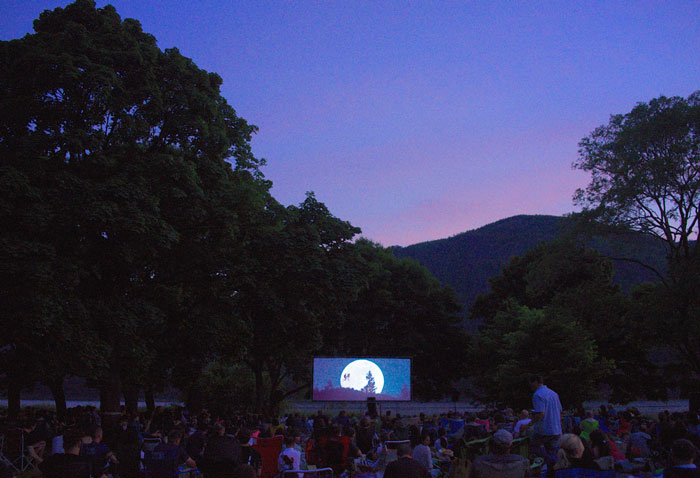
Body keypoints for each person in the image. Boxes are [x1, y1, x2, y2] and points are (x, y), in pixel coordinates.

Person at [529, 375, 562, 468]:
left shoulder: (537, 395)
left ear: (535, 382)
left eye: (531, 383)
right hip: (556, 429)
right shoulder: (554, 394)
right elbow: (560, 411)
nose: (530, 385)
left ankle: (545, 463)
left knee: (534, 447)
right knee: (552, 451)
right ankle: (552, 468)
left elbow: (541, 413)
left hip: (544, 430)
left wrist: (528, 425)